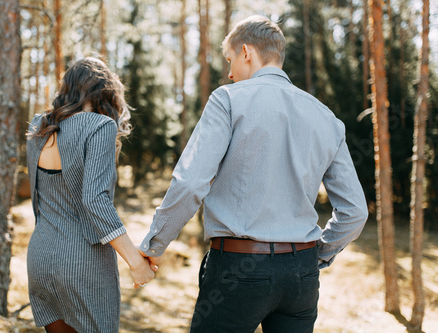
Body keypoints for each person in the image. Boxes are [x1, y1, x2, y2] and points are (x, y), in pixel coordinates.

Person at [140, 16, 368, 333]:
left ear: (247, 52)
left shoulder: (228, 99)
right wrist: (318, 256)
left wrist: (153, 246)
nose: (230, 73)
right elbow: (355, 211)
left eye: (231, 60)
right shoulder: (326, 118)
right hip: (301, 276)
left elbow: (192, 183)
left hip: (237, 271)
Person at [26, 57, 156, 333]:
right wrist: (136, 262)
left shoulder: (39, 126)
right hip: (82, 262)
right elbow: (94, 200)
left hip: (40, 255)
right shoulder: (99, 126)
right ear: (105, 91)